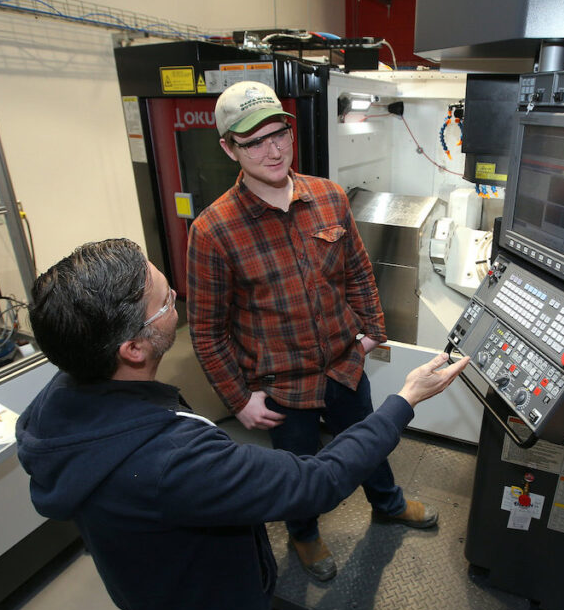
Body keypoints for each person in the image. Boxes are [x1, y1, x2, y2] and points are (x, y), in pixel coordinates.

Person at [15, 238, 467, 610]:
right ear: (133, 349)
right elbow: (318, 480)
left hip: (151, 591)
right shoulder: (174, 460)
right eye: (167, 299)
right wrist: (407, 398)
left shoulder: (62, 393)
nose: (176, 299)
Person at [186, 81, 436, 582]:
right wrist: (238, 400)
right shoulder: (213, 231)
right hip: (282, 386)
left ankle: (387, 503)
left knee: (370, 440)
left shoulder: (329, 197)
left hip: (345, 365)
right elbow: (207, 332)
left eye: (279, 133)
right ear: (228, 148)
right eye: (254, 141)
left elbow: (359, 272)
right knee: (298, 473)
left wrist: (371, 334)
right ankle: (304, 535)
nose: (273, 149)